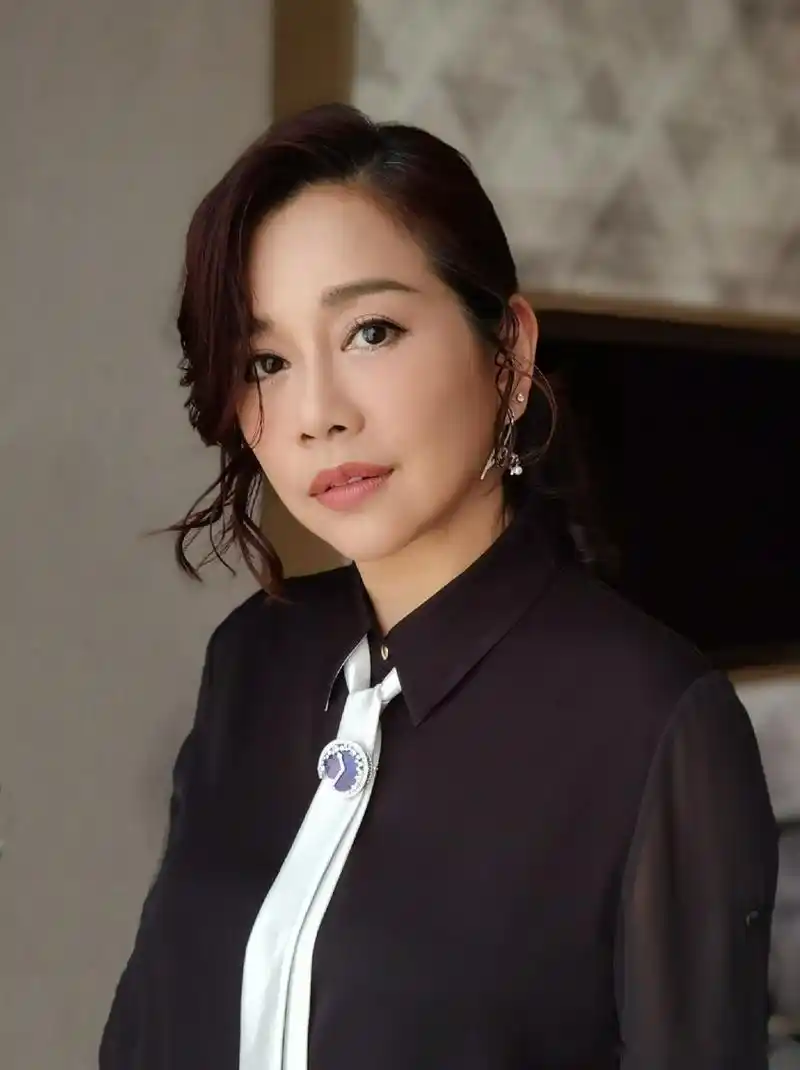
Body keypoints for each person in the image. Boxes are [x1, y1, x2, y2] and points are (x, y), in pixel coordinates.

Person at [100, 103, 779, 1070]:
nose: (317, 413)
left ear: (510, 356)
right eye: (268, 361)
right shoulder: (252, 657)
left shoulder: (653, 720)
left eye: (371, 331)